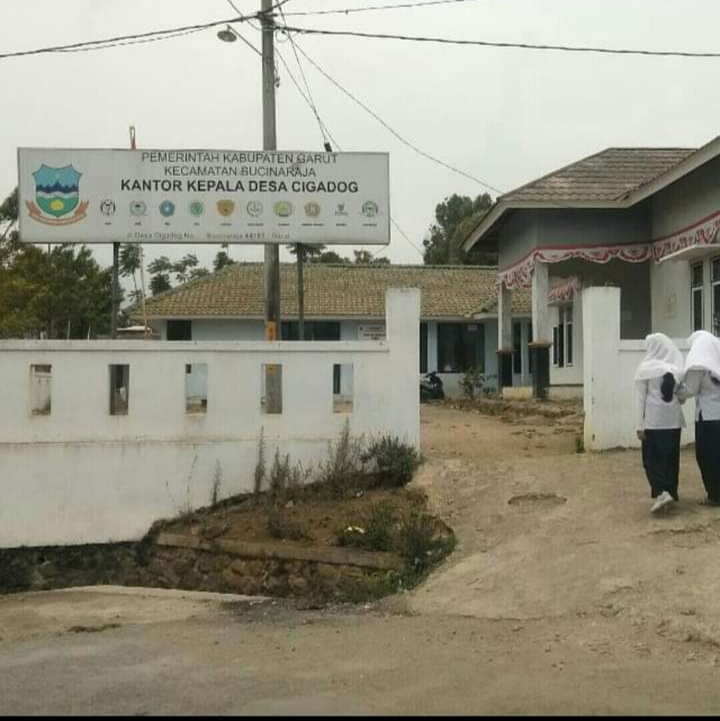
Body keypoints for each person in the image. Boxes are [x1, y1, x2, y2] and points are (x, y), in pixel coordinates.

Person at [635, 332, 686, 514]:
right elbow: (682, 397)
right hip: (673, 421)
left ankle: (662, 492)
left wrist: (639, 425)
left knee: (651, 459)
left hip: (653, 422)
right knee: (670, 458)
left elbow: (641, 399)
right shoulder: (675, 369)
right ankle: (670, 492)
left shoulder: (645, 370)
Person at [680, 330, 720, 506]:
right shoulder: (716, 360)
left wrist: (675, 394)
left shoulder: (699, 365)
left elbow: (690, 389)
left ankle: (715, 495)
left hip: (708, 417)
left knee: (706, 456)